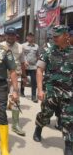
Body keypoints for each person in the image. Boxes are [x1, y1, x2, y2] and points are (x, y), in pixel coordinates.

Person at [33, 25, 73, 155]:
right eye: (53, 35)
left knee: (69, 119)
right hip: (51, 91)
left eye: (57, 35)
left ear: (66, 36)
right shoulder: (48, 51)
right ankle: (38, 128)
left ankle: (68, 144)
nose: (54, 38)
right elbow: (39, 70)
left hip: (69, 93)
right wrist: (40, 90)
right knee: (45, 114)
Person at [2, 27, 26, 136]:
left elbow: (22, 63)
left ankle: (15, 124)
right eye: (8, 34)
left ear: (16, 36)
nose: (10, 36)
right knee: (1, 99)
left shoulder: (20, 47)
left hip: (16, 77)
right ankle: (2, 121)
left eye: (12, 35)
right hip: (2, 77)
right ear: (5, 35)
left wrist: (24, 76)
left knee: (16, 99)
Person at [22, 33, 39, 102]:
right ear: (27, 37)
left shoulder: (36, 46)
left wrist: (37, 64)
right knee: (23, 79)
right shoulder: (23, 45)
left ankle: (34, 96)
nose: (31, 38)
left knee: (34, 81)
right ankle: (22, 90)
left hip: (33, 66)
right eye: (29, 36)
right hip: (25, 66)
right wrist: (24, 62)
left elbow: (37, 55)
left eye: (32, 37)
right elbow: (22, 55)